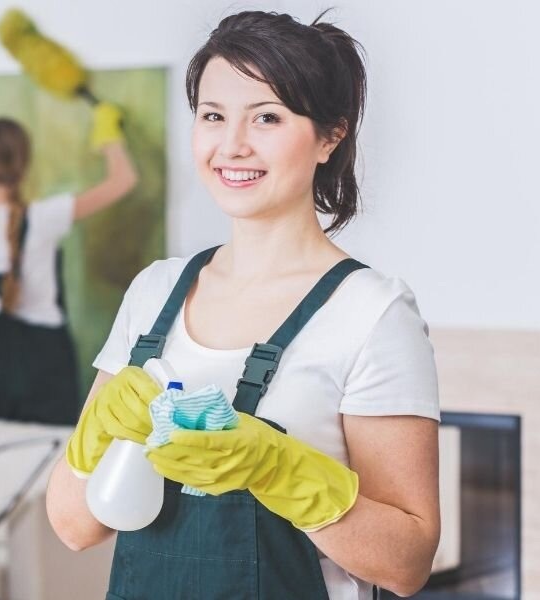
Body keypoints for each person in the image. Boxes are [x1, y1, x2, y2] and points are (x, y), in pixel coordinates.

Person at [47, 11, 440, 599]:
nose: (232, 145)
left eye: (267, 118)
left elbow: (407, 564)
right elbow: (76, 526)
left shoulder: (372, 313)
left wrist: (279, 468)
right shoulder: (154, 293)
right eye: (213, 116)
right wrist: (98, 433)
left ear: (331, 135)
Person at [0, 104, 138, 425]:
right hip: (49, 360)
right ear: (24, 162)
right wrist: (108, 135)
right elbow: (123, 180)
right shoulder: (47, 216)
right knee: (51, 463)